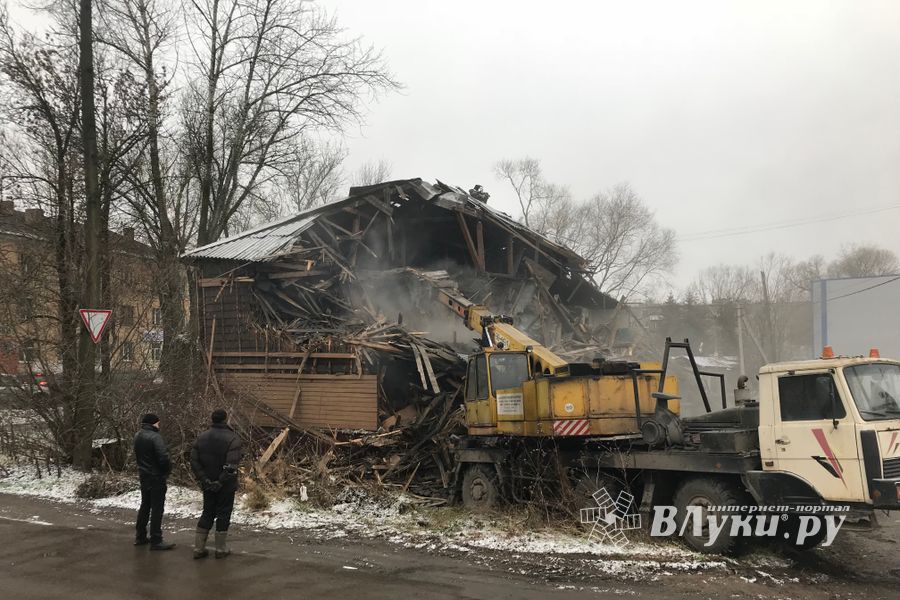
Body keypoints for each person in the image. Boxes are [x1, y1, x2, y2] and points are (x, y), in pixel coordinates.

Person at [190, 409, 242, 559]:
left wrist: (204, 479)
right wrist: (220, 481)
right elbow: (231, 466)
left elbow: (194, 461)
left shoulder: (201, 437)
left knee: (207, 512)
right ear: (225, 420)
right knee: (224, 513)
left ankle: (199, 548)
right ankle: (220, 549)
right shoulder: (233, 438)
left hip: (207, 483)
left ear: (212, 419)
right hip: (225, 485)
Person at [133, 413, 175, 550]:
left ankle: (140, 536)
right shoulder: (155, 437)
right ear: (154, 423)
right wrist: (166, 471)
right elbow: (163, 457)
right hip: (156, 476)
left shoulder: (138, 435)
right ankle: (156, 539)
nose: (159, 425)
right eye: (158, 423)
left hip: (144, 475)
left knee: (145, 506)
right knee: (157, 508)